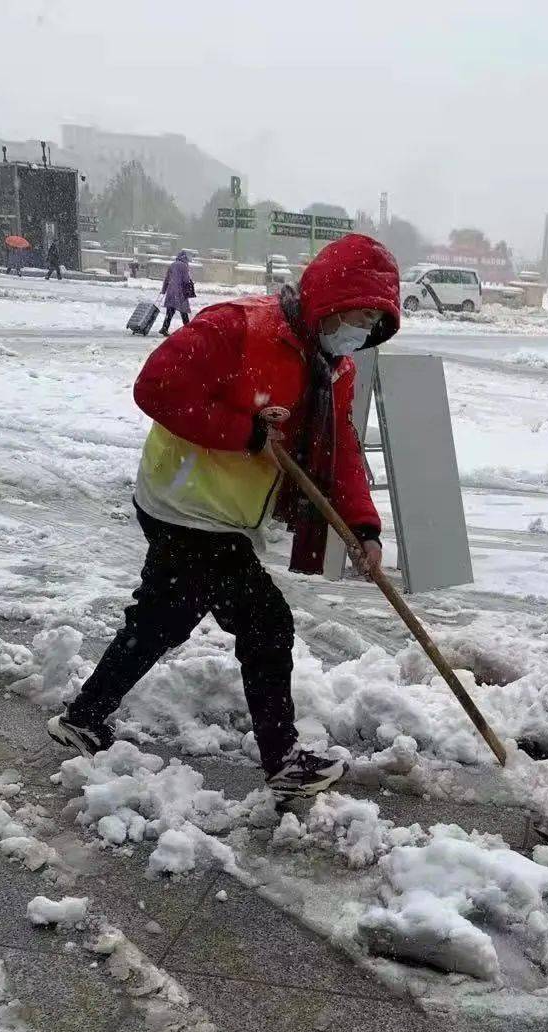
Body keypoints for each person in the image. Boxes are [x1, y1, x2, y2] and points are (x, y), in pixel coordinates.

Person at [48, 234, 400, 798]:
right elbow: (156, 388)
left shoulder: (334, 367)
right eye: (355, 317)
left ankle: (84, 716)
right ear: (328, 301)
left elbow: (343, 451)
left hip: (225, 515)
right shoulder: (237, 327)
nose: (358, 333)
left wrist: (363, 527)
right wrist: (247, 431)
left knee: (164, 616)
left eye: (371, 325)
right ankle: (282, 760)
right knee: (267, 624)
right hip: (186, 505)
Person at [160, 251, 194, 334]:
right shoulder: (184, 266)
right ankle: (188, 330)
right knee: (184, 312)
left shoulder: (172, 265)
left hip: (171, 291)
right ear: (185, 258)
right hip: (180, 292)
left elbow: (167, 278)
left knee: (170, 311)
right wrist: (189, 288)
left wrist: (164, 290)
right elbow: (186, 280)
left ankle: (164, 328)